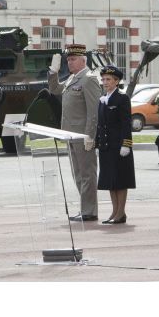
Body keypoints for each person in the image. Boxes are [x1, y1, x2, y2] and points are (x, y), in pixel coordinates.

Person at [48, 43, 101, 221]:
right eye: (68, 59)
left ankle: (89, 211)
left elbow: (93, 111)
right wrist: (53, 73)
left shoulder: (89, 78)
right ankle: (85, 208)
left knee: (87, 174)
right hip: (71, 134)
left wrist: (90, 135)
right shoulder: (72, 79)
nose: (69, 63)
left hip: (82, 135)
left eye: (73, 59)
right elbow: (54, 89)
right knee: (78, 174)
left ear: (83, 60)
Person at [95, 65, 135, 224]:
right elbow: (100, 125)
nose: (105, 82)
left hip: (119, 146)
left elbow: (126, 123)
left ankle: (121, 212)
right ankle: (114, 211)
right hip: (106, 146)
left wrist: (126, 144)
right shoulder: (103, 99)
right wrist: (98, 144)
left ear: (117, 81)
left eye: (109, 79)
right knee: (110, 181)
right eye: (103, 79)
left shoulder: (122, 98)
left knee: (120, 180)